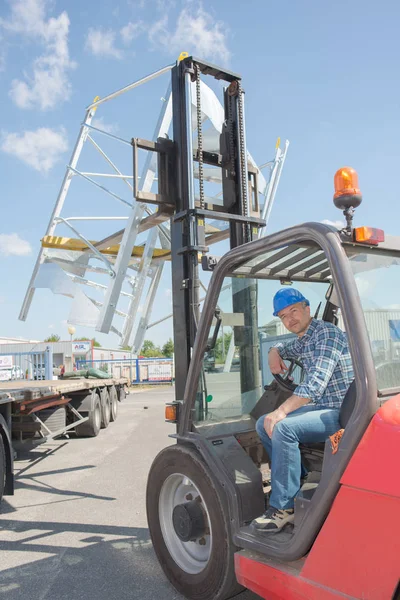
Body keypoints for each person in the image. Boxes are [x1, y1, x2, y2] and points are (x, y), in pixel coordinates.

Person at [252, 288, 354, 532]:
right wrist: (273, 351)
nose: (290, 319)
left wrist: (282, 411)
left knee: (283, 427)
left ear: (308, 308)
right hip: (323, 406)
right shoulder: (306, 338)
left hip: (342, 410)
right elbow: (285, 348)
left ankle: (284, 507)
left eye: (294, 311)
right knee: (263, 424)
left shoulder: (326, 334)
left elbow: (315, 383)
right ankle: (298, 479)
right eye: (284, 316)